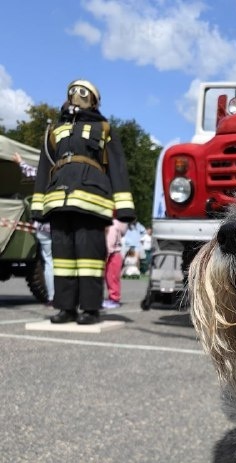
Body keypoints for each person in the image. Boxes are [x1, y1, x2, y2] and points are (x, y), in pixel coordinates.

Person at [31, 79, 135, 324]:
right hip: (58, 200)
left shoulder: (104, 128)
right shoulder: (54, 130)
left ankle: (90, 309)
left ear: (94, 99)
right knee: (63, 258)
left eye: (83, 91)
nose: (77, 95)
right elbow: (44, 166)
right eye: (73, 91)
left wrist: (124, 207)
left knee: (89, 258)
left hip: (92, 201)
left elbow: (117, 167)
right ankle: (65, 308)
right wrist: (38, 205)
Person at [13, 152, 54, 305]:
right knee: (60, 262)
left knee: (48, 261)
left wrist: (20, 161)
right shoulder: (63, 176)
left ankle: (52, 297)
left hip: (43, 224)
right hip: (59, 224)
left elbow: (30, 172)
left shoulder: (43, 175)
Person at [103, 217, 127, 309]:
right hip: (116, 254)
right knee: (111, 278)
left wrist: (106, 255)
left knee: (112, 278)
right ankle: (113, 297)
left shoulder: (112, 225)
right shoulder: (118, 224)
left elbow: (110, 242)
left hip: (113, 254)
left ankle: (114, 299)